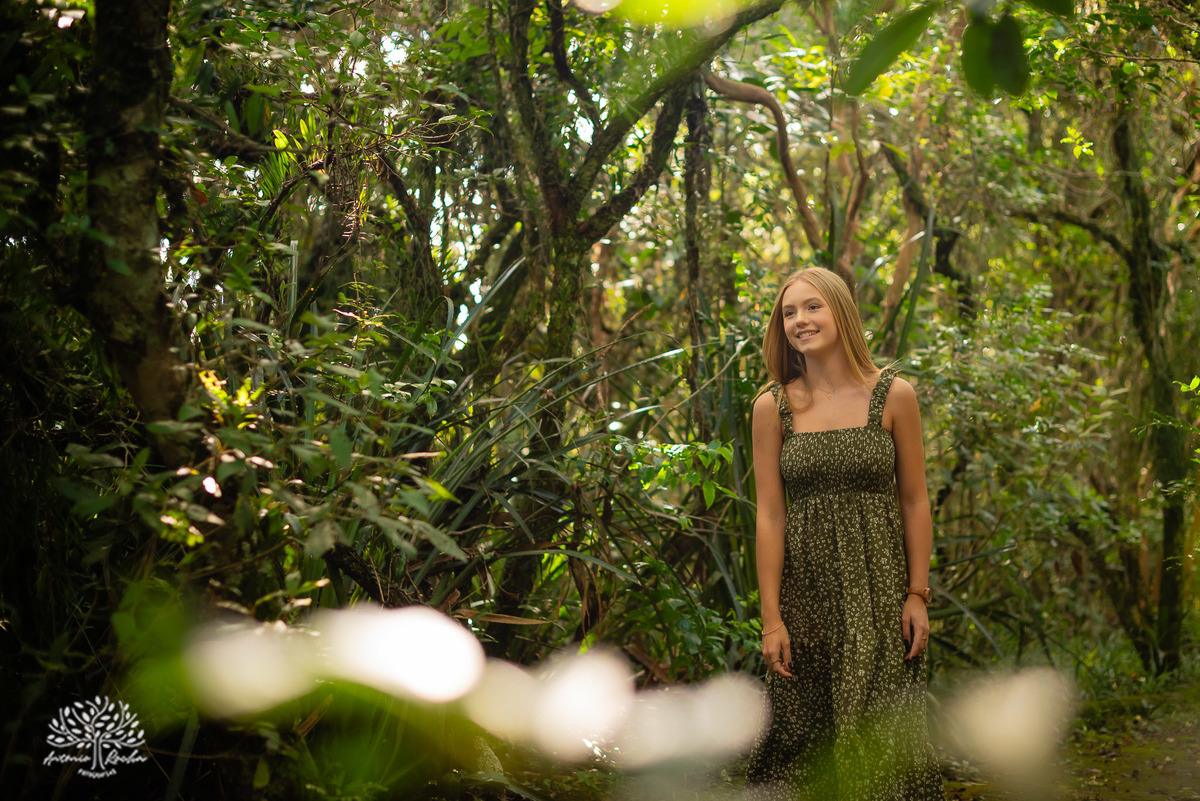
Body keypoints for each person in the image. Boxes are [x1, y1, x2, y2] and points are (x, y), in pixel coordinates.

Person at [743, 267, 944, 800]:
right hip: (806, 599)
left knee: (881, 736)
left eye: (812, 307)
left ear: (841, 312)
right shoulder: (773, 406)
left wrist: (917, 594)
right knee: (801, 741)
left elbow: (914, 500)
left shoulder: (893, 394)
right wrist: (771, 619)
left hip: (879, 597)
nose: (800, 321)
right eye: (789, 312)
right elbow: (769, 515)